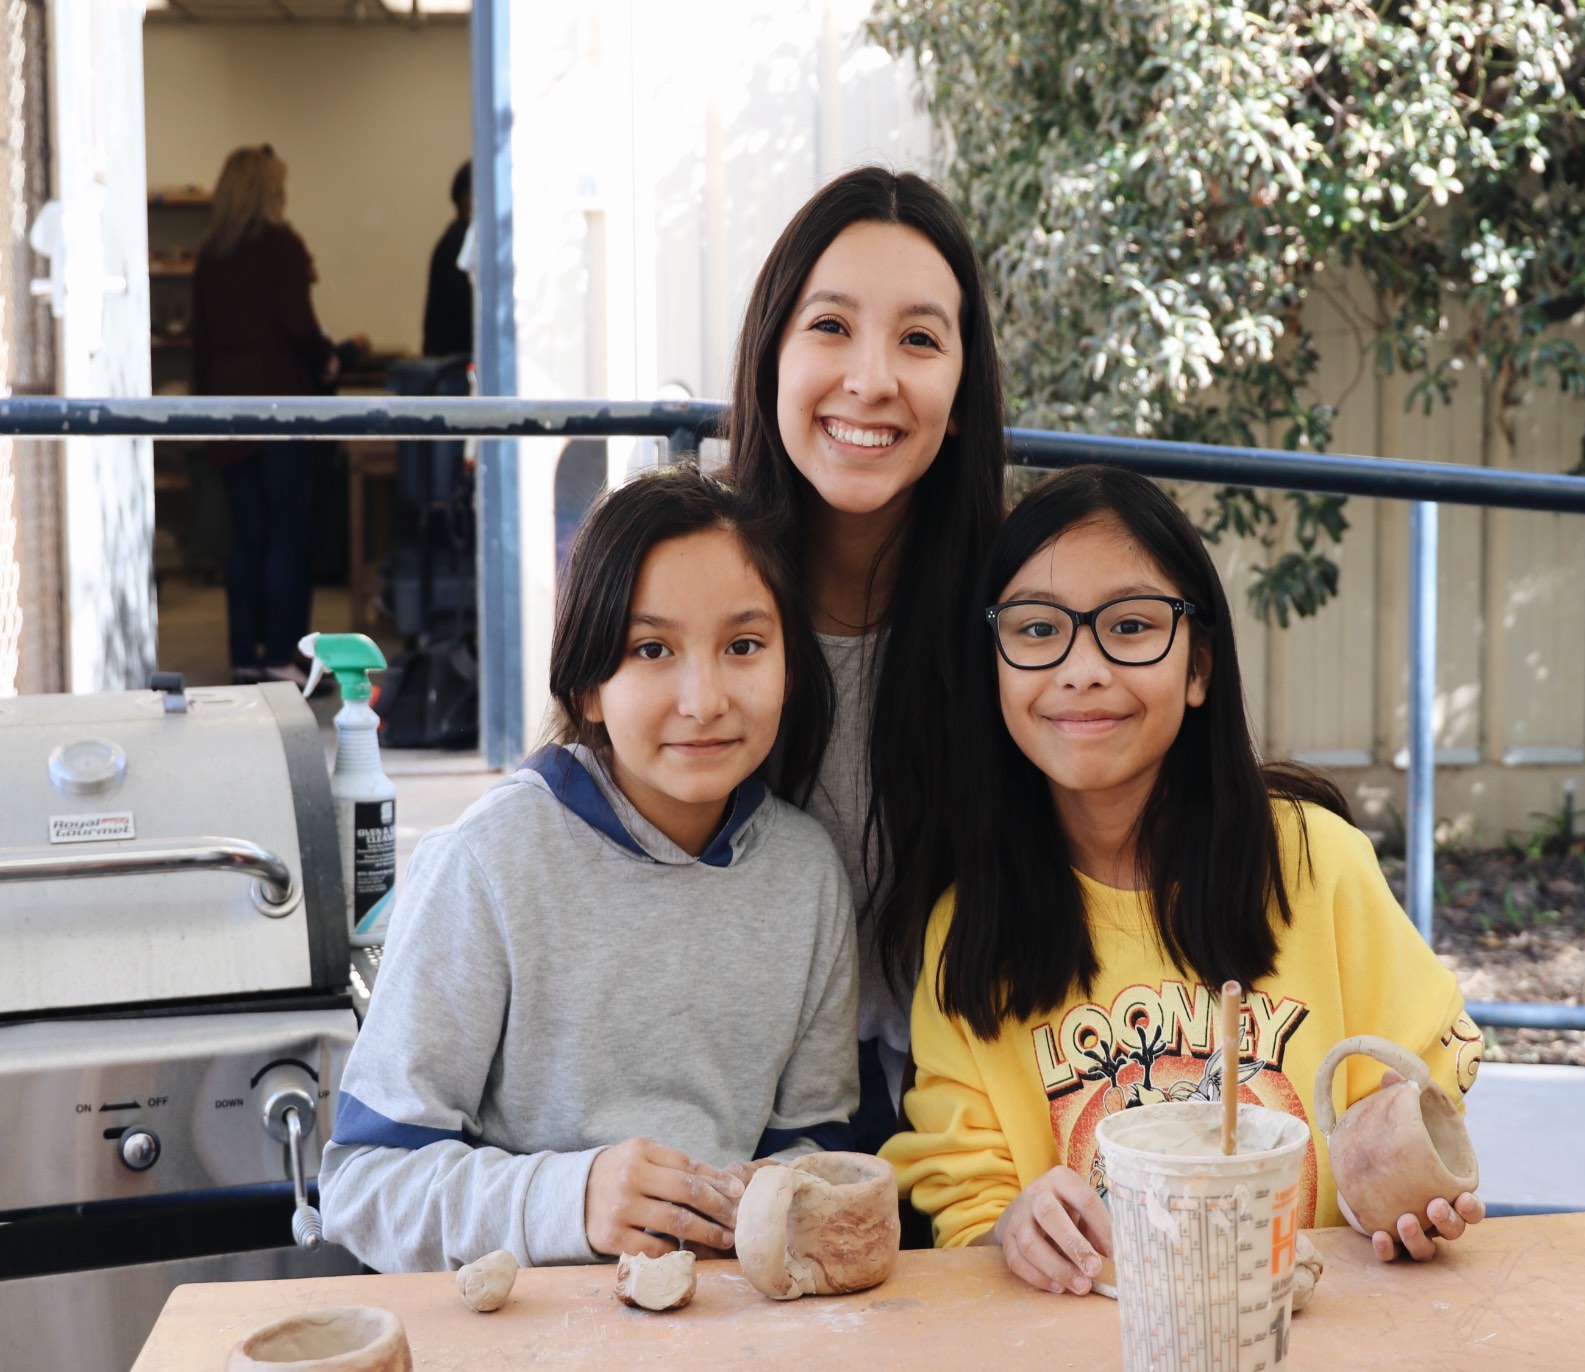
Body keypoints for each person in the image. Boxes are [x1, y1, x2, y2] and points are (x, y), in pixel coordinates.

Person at [882, 465, 1486, 1292]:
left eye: (1129, 627)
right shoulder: (970, 924)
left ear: (1198, 667)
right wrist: (1009, 1227)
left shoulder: (1317, 862)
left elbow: (1421, 1072)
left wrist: (1396, 1194)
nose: (1082, 667)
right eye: (1034, 630)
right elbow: (963, 1188)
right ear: (992, 670)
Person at [319, 467, 858, 1273]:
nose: (704, 698)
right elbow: (363, 1186)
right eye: (650, 649)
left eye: (743, 646)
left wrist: (783, 1190)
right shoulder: (486, 864)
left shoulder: (807, 876)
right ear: (587, 686)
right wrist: (569, 1198)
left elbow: (817, 1144)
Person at [725, 167, 1008, 1151]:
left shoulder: (1026, 623)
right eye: (831, 326)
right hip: (717, 1116)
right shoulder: (681, 602)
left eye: (919, 339)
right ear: (769, 354)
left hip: (969, 1127)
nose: (871, 379)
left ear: (963, 392)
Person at [191, 144, 341, 685]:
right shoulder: (280, 247)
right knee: (287, 537)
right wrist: (327, 359)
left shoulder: (210, 257)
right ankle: (282, 655)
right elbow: (298, 326)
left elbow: (201, 344)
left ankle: (244, 657)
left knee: (247, 539)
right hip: (280, 408)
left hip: (227, 411)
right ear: (266, 191)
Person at [421, 160, 472, 358]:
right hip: (455, 368)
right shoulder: (460, 244)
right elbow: (469, 311)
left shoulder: (457, 240)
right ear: (468, 198)